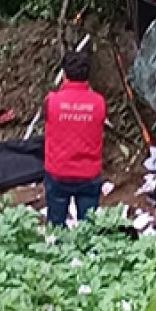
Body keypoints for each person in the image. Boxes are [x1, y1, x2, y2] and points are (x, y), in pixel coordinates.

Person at [42, 51, 106, 227]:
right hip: (88, 174)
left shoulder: (51, 101)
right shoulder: (99, 103)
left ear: (64, 74)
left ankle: (58, 253)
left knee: (56, 227)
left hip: (58, 173)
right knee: (88, 229)